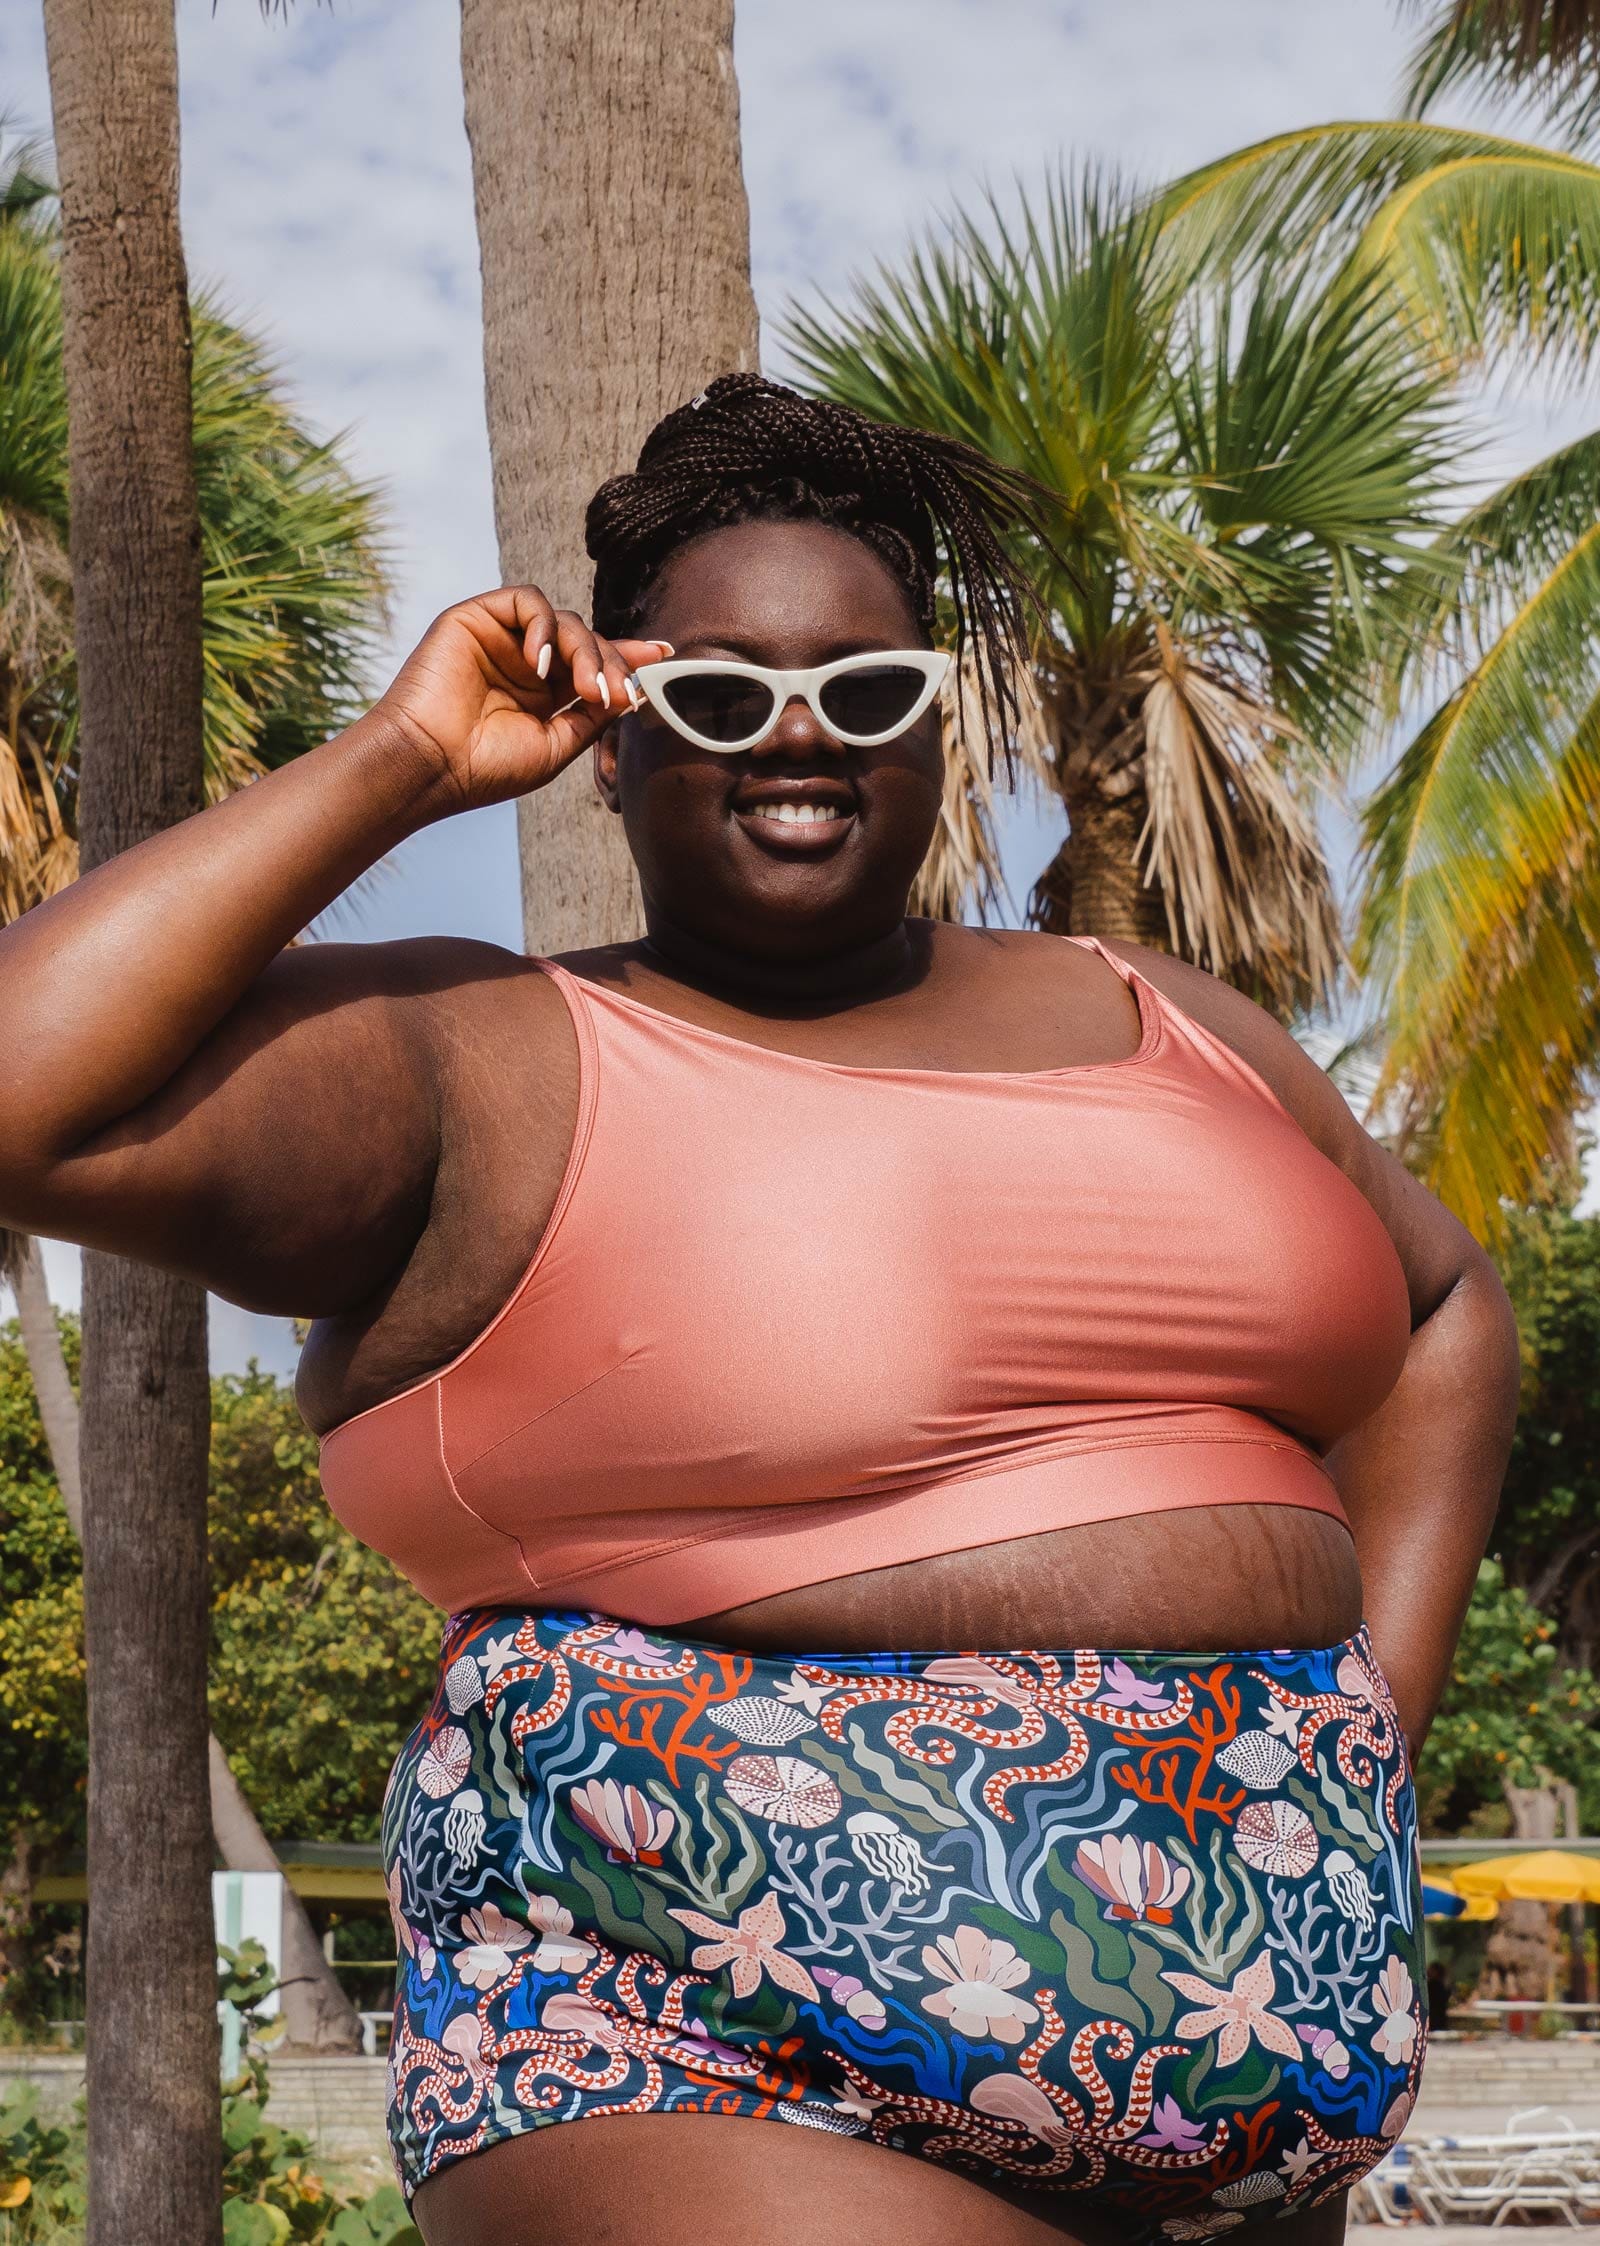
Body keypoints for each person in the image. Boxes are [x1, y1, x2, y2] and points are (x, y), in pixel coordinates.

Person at [0, 374, 1519, 2246]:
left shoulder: (1180, 1022)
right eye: (717, 693)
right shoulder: (481, 1061)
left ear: (938, 735)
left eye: (866, 691)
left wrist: (1362, 1719)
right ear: (613, 730)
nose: (797, 734)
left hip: (1257, 2022)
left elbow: (1445, 1304)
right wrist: (401, 755)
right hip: (692, 2032)